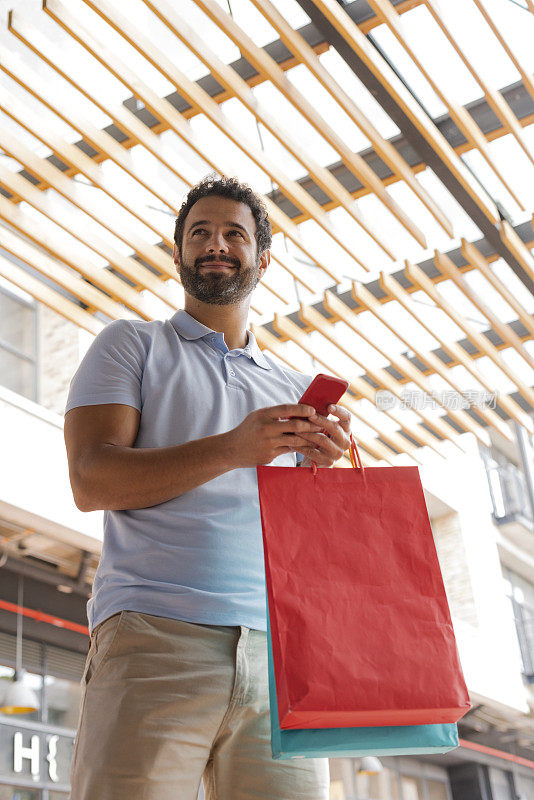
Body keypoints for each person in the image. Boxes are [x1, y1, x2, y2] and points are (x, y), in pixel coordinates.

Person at [63, 175, 351, 800]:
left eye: (234, 234)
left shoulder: (295, 387)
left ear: (263, 259)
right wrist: (231, 448)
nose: (215, 244)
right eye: (200, 233)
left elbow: (304, 536)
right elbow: (90, 480)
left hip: (278, 658)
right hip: (153, 636)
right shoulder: (130, 345)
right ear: (178, 254)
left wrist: (320, 470)